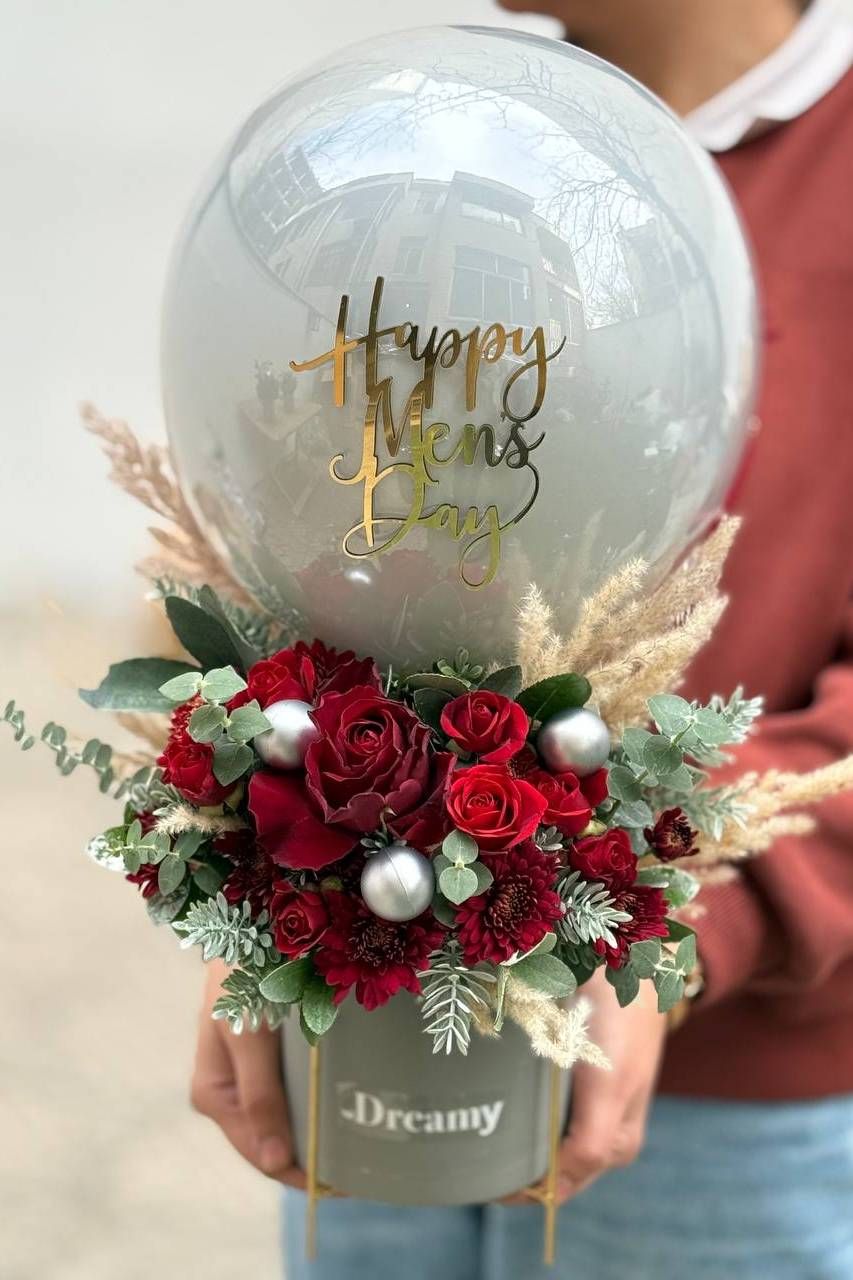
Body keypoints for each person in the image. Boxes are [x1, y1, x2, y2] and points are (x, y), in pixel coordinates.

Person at [189, 1, 853, 1275]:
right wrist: (268, 895)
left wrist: (687, 911)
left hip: (735, 1116)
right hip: (378, 1020)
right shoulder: (443, 140)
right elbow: (340, 545)